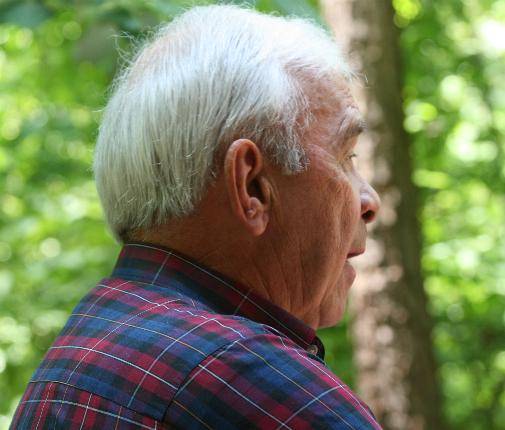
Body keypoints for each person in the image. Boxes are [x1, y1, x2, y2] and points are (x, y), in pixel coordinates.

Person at [11, 5, 381, 429]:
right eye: (346, 156)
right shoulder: (269, 393)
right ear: (253, 187)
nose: (370, 201)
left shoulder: (80, 348)